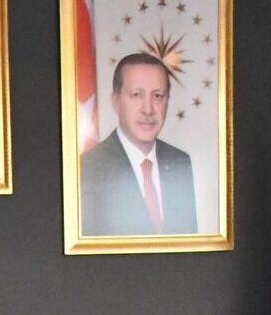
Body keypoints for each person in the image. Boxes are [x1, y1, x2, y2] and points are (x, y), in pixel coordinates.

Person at [80, 53, 198, 236]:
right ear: (116, 101)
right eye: (137, 95)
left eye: (157, 96)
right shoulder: (88, 168)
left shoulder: (180, 162)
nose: (148, 110)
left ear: (167, 102)